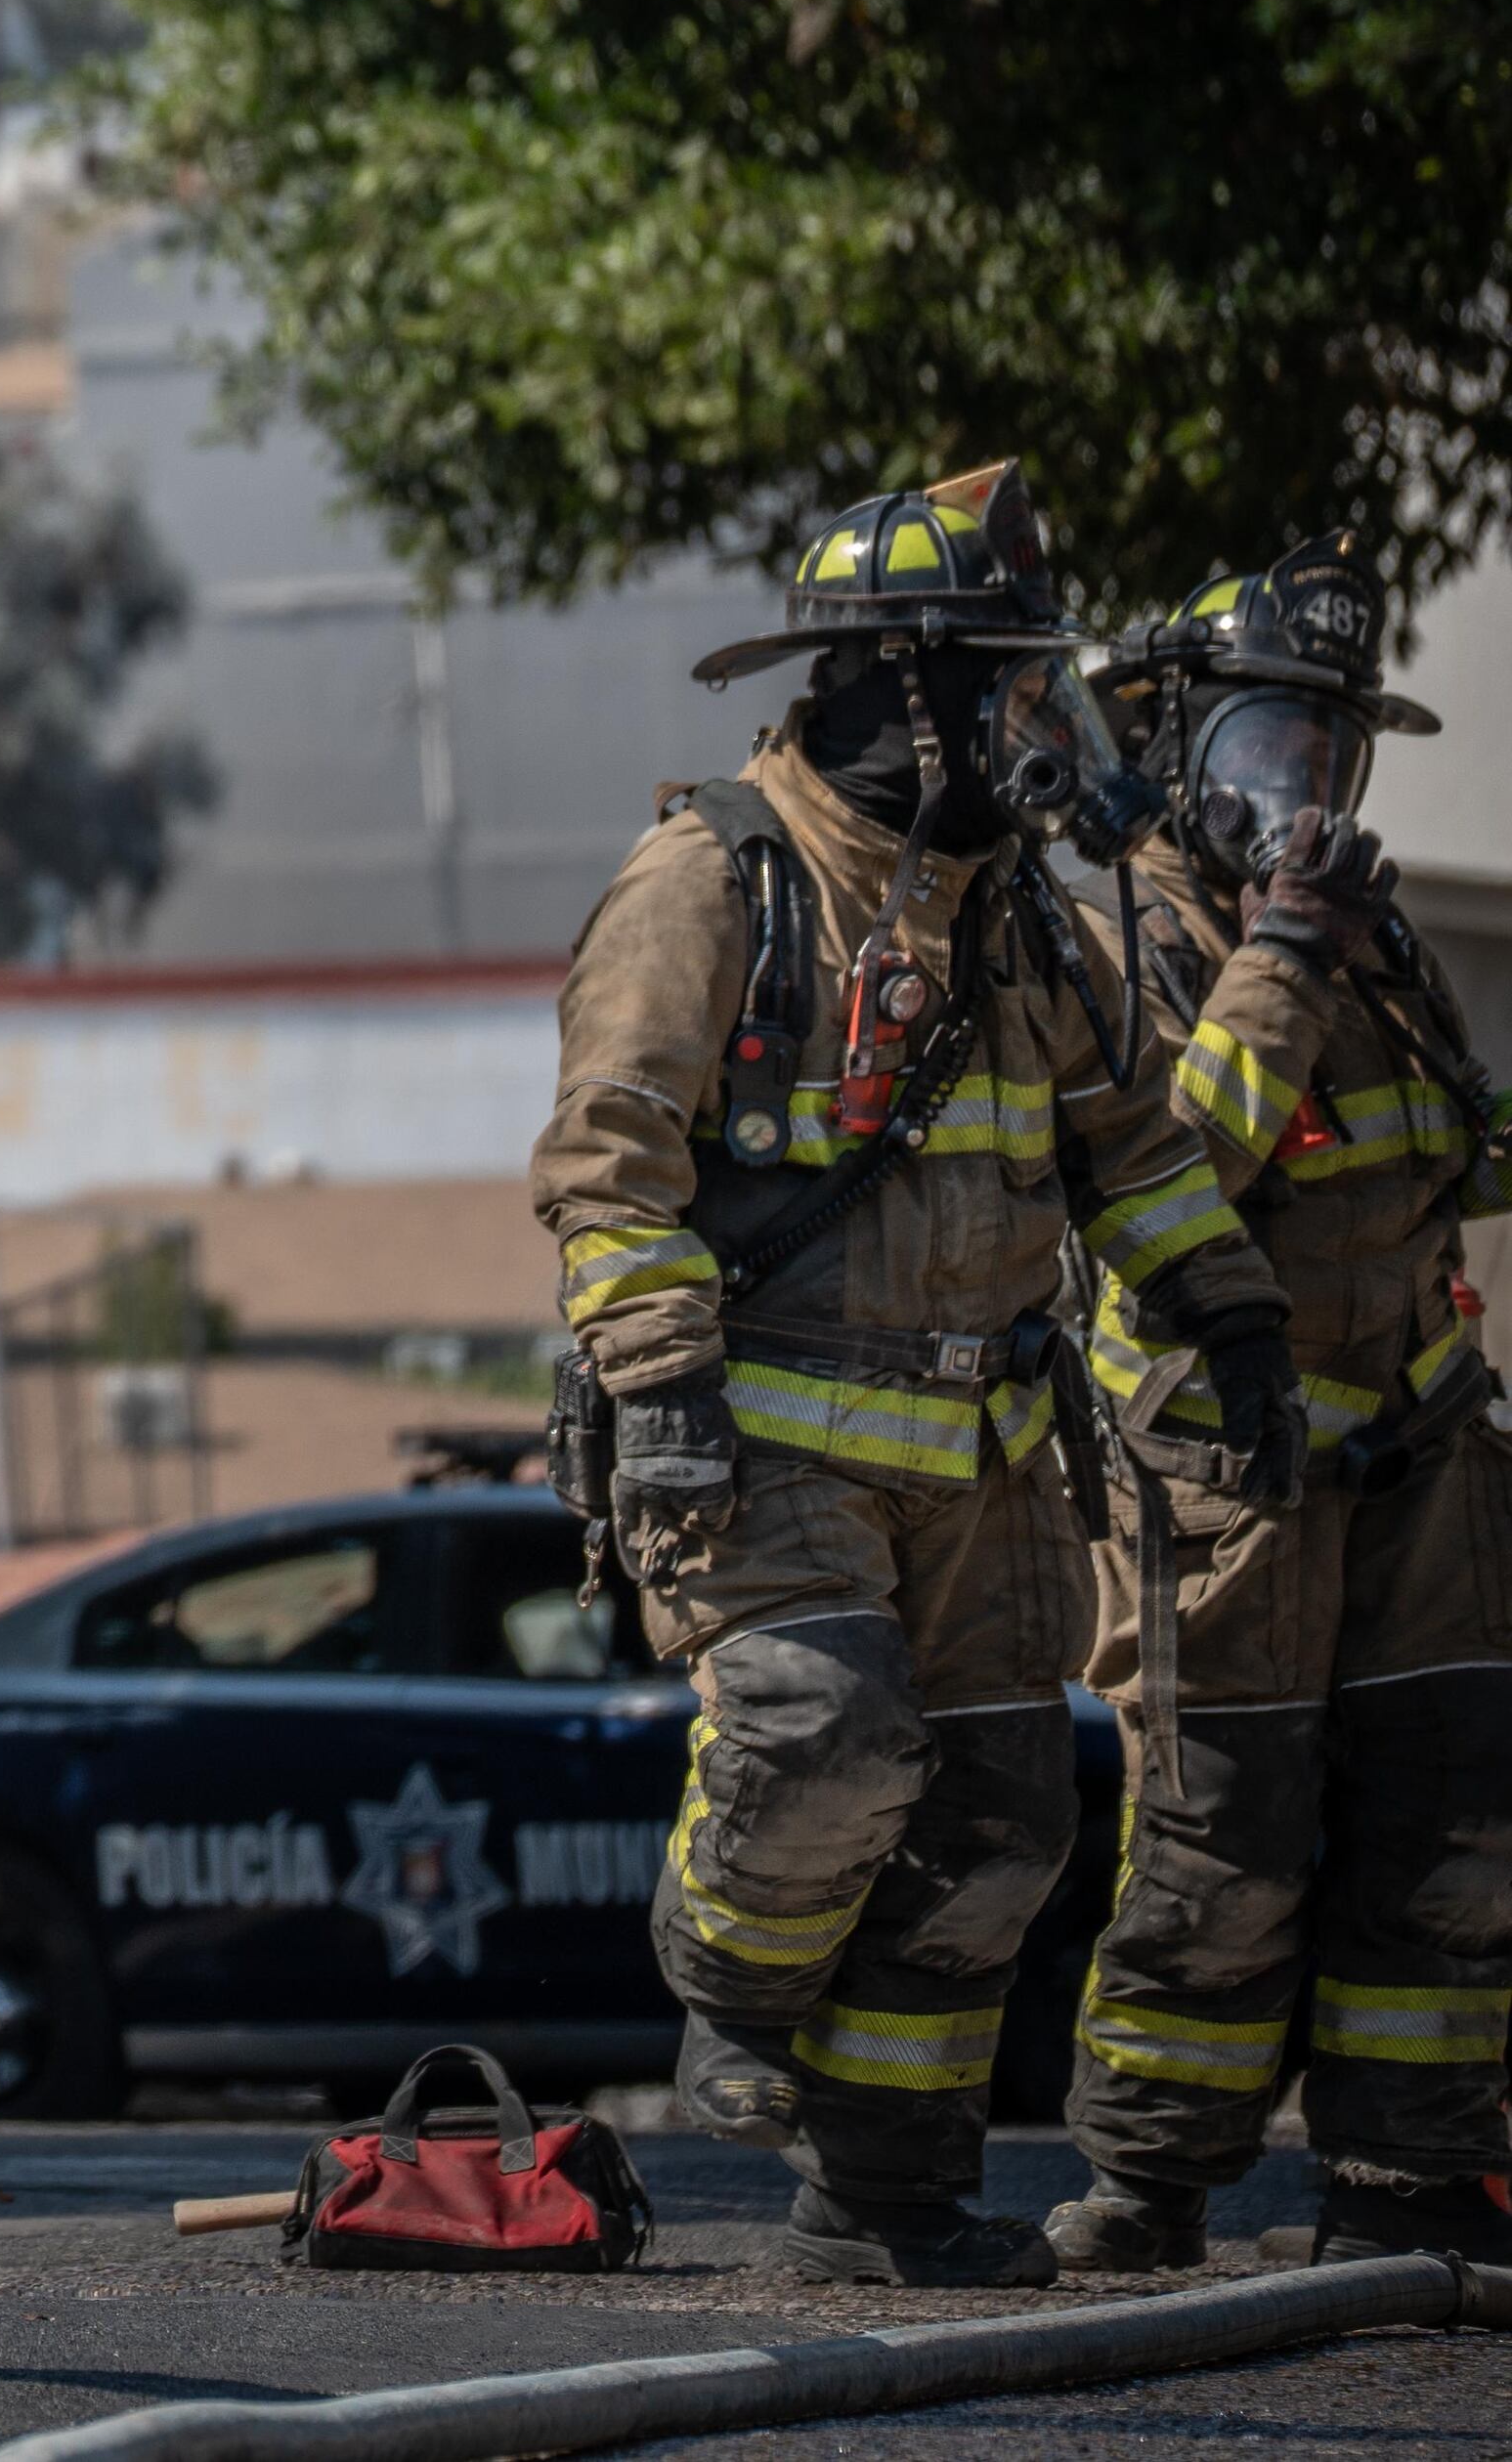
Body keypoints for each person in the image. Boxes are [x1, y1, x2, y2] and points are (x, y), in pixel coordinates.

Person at [534, 465, 1296, 2287]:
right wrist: (659, 1383)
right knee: (816, 1728)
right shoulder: (715, 873)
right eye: (1011, 685)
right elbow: (604, 1157)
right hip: (760, 1444)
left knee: (1002, 1824)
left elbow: (1133, 1145)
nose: (1044, 722)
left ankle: (881, 2197)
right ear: (897, 683)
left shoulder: (1017, 915)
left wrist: (1238, 1313)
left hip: (985, 1463)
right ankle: (729, 1982)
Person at [1045, 537, 1512, 2272]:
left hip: (1424, 1454)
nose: (1301, 797)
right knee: (1223, 1834)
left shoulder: (1374, 945)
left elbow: (1449, 1146)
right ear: (1175, 747)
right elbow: (1183, 1165)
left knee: (1451, 1816)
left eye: (1329, 759)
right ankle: (1151, 2184)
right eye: (1264, 752)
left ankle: (1408, 2174)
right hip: (1231, 1477)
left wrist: (1335, 947)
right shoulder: (1125, 937)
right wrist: (1289, 951)